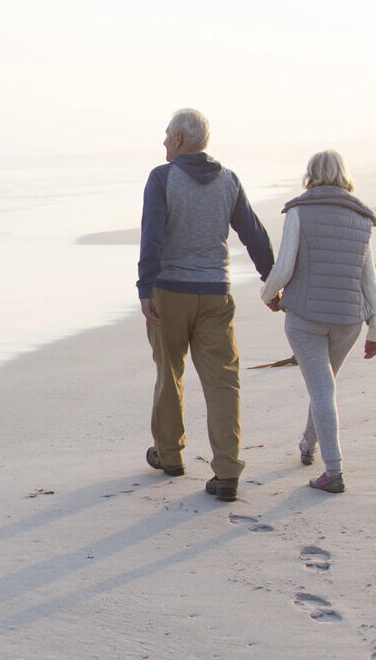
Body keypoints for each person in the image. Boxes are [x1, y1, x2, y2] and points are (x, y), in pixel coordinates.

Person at [137, 108, 274, 502]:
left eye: (166, 135)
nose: (163, 141)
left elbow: (152, 237)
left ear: (179, 139)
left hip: (170, 292)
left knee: (170, 373)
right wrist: (273, 280)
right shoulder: (228, 180)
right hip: (216, 292)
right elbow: (254, 234)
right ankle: (227, 472)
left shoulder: (162, 179)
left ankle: (170, 456)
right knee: (222, 382)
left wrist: (145, 288)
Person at [260, 149, 376, 494]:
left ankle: (333, 470)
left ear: (310, 174)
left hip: (306, 319)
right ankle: (307, 445)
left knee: (322, 388)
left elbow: (284, 267)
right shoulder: (361, 216)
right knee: (324, 385)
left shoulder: (299, 211)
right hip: (349, 320)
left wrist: (269, 295)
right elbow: (368, 278)